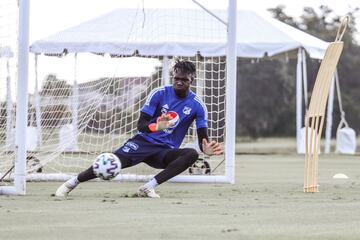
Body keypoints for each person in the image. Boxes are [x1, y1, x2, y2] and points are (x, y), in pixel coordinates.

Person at [55, 59, 222, 198]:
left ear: (191, 79)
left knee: (191, 154)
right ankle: (71, 183)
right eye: (176, 78)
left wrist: (205, 149)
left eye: (184, 79)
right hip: (143, 143)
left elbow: (203, 140)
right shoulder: (159, 93)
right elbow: (140, 125)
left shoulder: (198, 106)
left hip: (164, 152)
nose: (179, 81)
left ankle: (148, 187)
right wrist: (157, 126)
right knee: (110, 163)